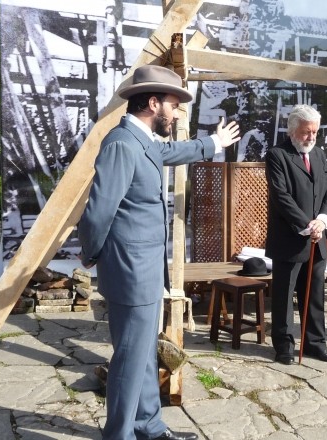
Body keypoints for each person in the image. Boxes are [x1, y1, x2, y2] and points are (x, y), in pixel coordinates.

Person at [78, 65, 240, 440]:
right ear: (153, 103)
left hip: (146, 271)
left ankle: (148, 427)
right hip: (131, 272)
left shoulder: (142, 140)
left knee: (143, 355)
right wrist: (92, 253)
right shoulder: (122, 143)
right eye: (174, 104)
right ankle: (119, 435)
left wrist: (212, 144)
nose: (178, 113)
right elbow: (98, 211)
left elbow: (169, 152)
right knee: (129, 360)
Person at [265, 104, 327, 366]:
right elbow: (281, 196)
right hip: (290, 238)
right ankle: (284, 345)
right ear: (293, 130)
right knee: (284, 296)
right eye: (307, 132)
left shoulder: (319, 154)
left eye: (315, 132)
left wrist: (322, 220)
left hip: (317, 240)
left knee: (315, 295)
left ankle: (315, 343)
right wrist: (307, 225)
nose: (311, 137)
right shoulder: (277, 155)